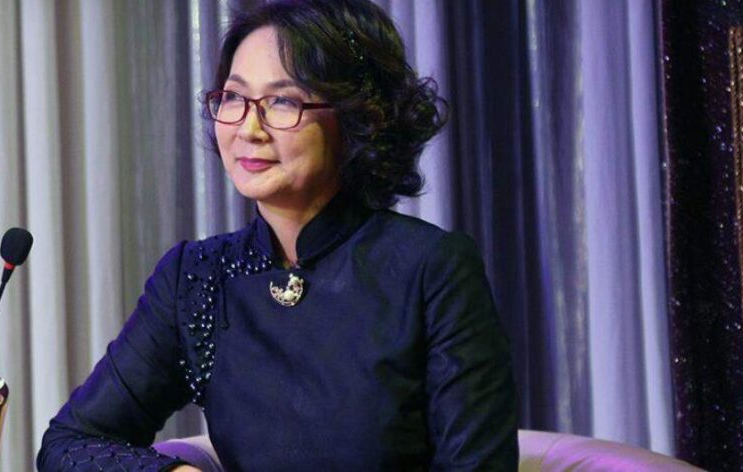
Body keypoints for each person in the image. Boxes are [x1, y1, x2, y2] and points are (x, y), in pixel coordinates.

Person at [37, 0, 517, 470]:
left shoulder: (431, 268)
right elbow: (70, 444)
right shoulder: (198, 278)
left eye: (282, 101)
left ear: (358, 119)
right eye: (233, 98)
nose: (249, 128)